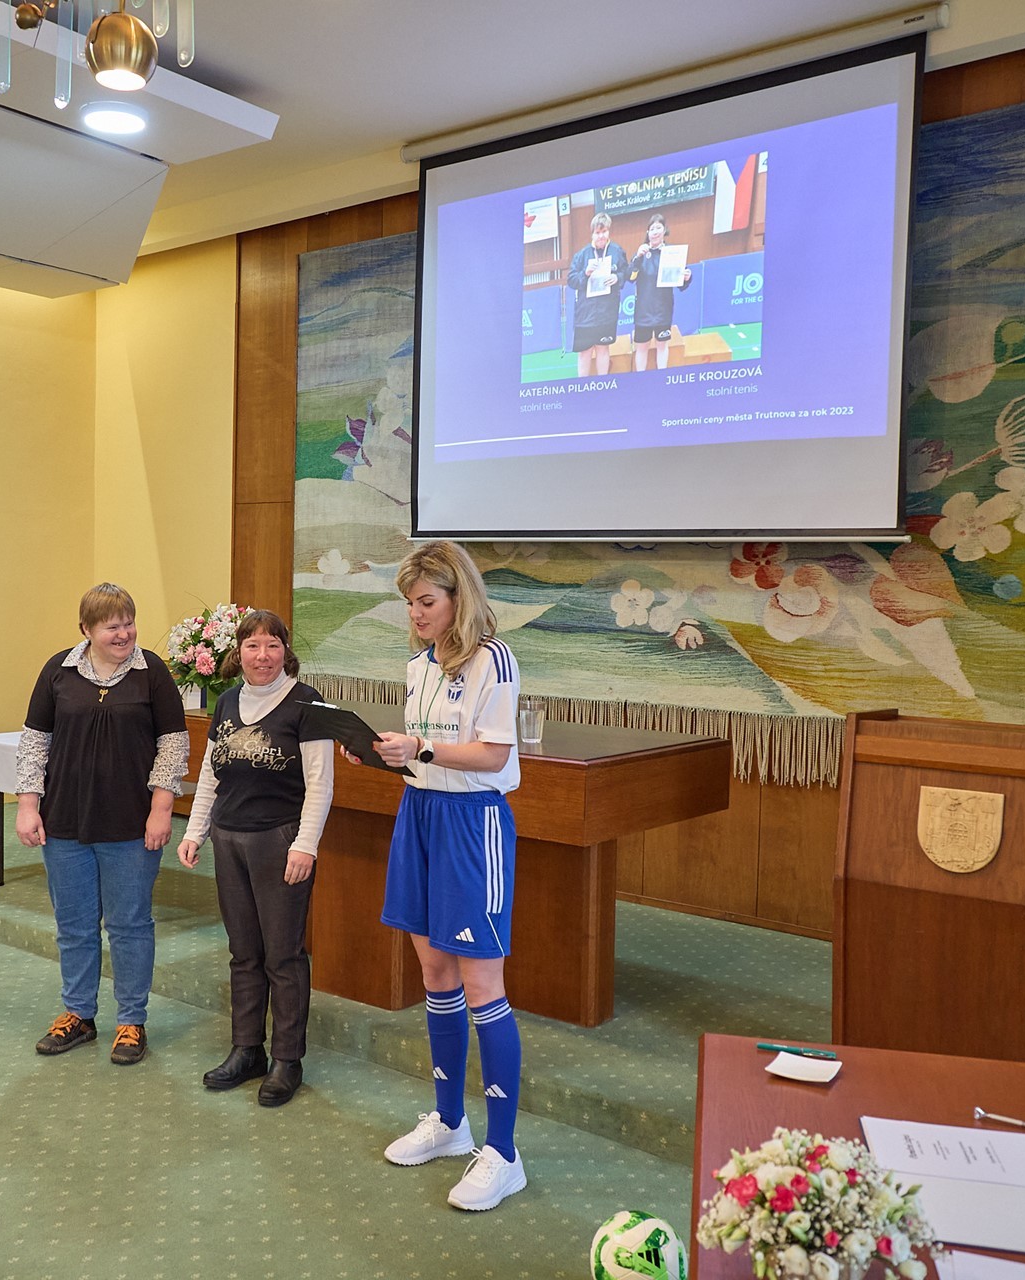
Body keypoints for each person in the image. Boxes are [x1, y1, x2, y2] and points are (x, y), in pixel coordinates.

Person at [365, 541, 527, 1212]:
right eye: (410, 603)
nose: (416, 613)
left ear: (459, 598)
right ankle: (451, 1123)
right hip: (419, 814)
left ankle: (504, 1153)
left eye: (427, 601)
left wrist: (423, 748)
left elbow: (491, 755)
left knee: (481, 981)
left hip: (471, 823)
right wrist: (390, 753)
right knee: (434, 971)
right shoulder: (417, 665)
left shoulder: (494, 659)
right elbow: (424, 753)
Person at [15, 583, 188, 1067]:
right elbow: (34, 742)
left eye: (129, 623)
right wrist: (28, 805)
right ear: (86, 629)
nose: (124, 633)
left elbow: (173, 745)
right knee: (74, 926)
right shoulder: (59, 670)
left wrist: (161, 808)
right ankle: (79, 1014)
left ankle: (132, 1020)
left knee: (130, 925)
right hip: (65, 821)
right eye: (112, 626)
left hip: (131, 824)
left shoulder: (152, 672)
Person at [177, 610, 335, 1107]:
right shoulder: (227, 701)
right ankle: (247, 1049)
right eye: (252, 646)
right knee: (243, 952)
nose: (262, 656)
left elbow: (321, 784)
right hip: (229, 838)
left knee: (283, 955)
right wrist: (196, 831)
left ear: (285, 652)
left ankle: (287, 1059)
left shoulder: (307, 704)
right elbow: (211, 773)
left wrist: (305, 844)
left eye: (272, 646)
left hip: (280, 840)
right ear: (238, 652)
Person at [627, 213, 693, 372]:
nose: (655, 232)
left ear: (664, 231)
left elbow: (681, 284)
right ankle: (641, 378)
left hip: (663, 310)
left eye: (658, 228)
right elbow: (630, 277)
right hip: (644, 311)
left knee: (662, 345)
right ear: (647, 233)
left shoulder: (672, 253)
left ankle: (661, 377)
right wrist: (638, 257)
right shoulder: (641, 254)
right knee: (641, 347)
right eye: (652, 229)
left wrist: (687, 277)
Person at [566, 212, 628, 378]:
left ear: (609, 231)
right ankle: (583, 386)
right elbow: (571, 280)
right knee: (585, 352)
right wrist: (585, 273)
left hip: (606, 313)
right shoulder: (582, 255)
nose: (601, 236)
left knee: (603, 349)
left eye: (604, 231)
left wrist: (617, 277)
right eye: (597, 232)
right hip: (585, 315)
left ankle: (603, 384)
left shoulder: (617, 252)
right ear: (592, 234)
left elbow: (626, 272)